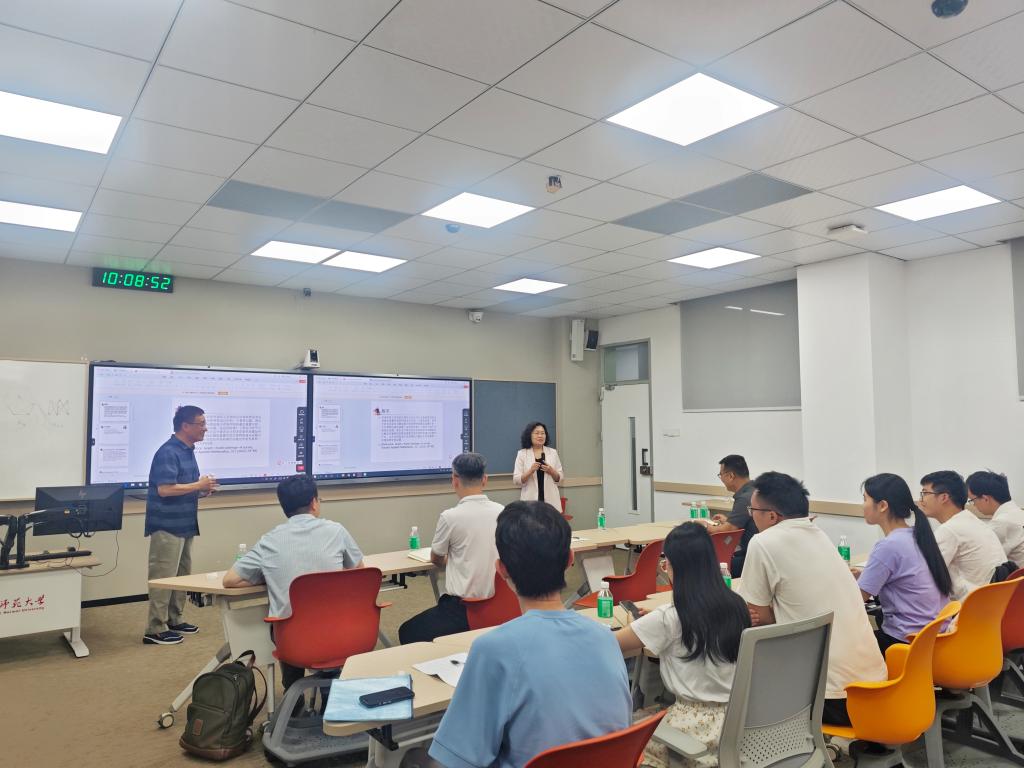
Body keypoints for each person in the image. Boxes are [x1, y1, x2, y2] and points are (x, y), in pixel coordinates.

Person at [409, 501, 632, 768]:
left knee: (414, 759)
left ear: (501, 569)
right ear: (570, 560)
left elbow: (461, 757)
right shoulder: (606, 638)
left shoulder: (493, 650)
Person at [738, 471, 885, 727]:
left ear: (772, 516)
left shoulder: (763, 542)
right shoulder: (818, 534)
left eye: (753, 510)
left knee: (745, 673)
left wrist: (771, 613)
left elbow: (758, 617)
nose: (751, 516)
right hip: (878, 689)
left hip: (833, 700)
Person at [615, 523, 750, 768]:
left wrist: (642, 624)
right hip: (740, 726)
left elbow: (611, 644)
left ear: (672, 566)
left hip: (693, 733)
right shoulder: (737, 604)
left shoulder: (668, 618)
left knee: (624, 740)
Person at [223, 475, 363, 695]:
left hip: (291, 639)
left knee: (287, 625)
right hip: (337, 631)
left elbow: (230, 580)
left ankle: (293, 694)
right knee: (326, 628)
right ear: (314, 502)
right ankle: (330, 691)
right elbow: (359, 572)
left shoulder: (270, 540)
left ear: (284, 508)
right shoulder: (336, 531)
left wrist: (269, 575)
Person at [399, 453, 503, 644]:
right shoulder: (502, 511)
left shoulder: (450, 517)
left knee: (407, 631)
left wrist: (454, 560)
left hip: (464, 609)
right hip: (500, 605)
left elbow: (436, 558)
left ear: (454, 480)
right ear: (485, 479)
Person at [144, 405, 218, 646]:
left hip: (185, 523)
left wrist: (202, 490)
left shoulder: (187, 451)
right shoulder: (168, 452)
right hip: (167, 525)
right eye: (201, 424)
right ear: (185, 426)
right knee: (163, 577)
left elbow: (183, 487)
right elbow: (165, 489)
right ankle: (155, 628)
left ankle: (174, 619)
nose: (205, 428)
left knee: (182, 576)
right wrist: (198, 485)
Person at [853, 474, 952, 652]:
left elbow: (856, 598)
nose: (862, 505)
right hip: (936, 637)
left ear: (882, 506)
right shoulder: (917, 536)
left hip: (907, 643)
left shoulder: (888, 545)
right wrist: (865, 575)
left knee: (841, 647)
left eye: (865, 499)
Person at [919, 470, 1005, 600]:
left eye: (925, 493)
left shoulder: (950, 530)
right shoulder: (972, 521)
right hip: (992, 602)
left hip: (970, 605)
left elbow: (923, 575)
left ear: (944, 497)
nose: (921, 500)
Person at [708, 454, 757, 577]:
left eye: (721, 475)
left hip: (751, 557)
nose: (721, 479)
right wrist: (728, 520)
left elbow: (727, 530)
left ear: (731, 476)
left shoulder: (744, 498)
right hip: (757, 551)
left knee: (708, 567)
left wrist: (704, 526)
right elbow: (746, 520)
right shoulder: (755, 490)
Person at [966, 470, 1024, 568]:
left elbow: (980, 558)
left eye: (972, 500)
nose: (973, 505)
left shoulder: (1001, 522)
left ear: (985, 499)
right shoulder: (1018, 513)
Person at [512, 422, 562, 504]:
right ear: (529, 435)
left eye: (543, 433)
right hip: (530, 501)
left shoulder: (553, 453)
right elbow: (516, 480)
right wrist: (530, 471)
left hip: (551, 501)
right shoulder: (522, 454)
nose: (540, 436)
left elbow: (560, 478)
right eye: (537, 433)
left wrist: (552, 471)